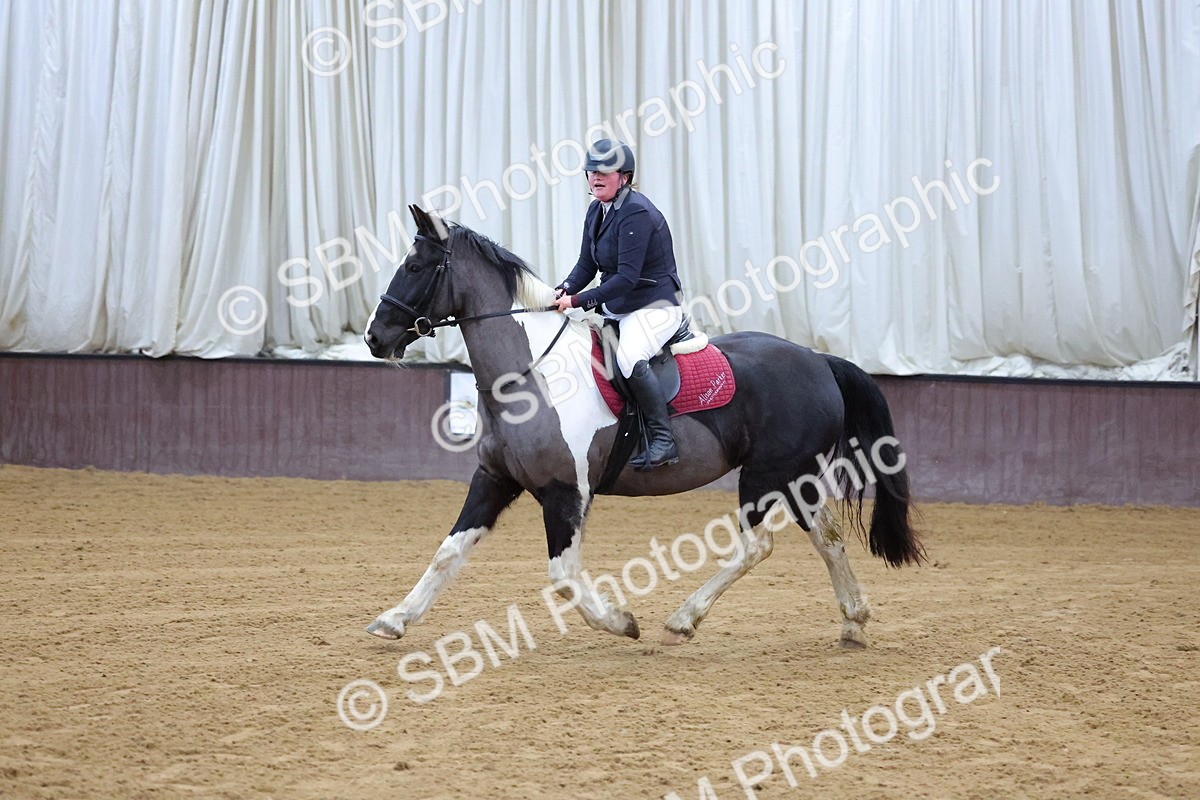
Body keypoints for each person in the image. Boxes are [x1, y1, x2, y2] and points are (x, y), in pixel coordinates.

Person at [552, 139, 684, 470]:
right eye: (591, 171)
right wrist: (563, 289)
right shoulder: (597, 210)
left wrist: (578, 301)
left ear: (624, 177)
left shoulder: (635, 212)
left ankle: (663, 439)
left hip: (655, 306)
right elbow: (586, 264)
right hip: (619, 308)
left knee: (628, 357)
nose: (595, 177)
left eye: (604, 172)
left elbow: (626, 278)